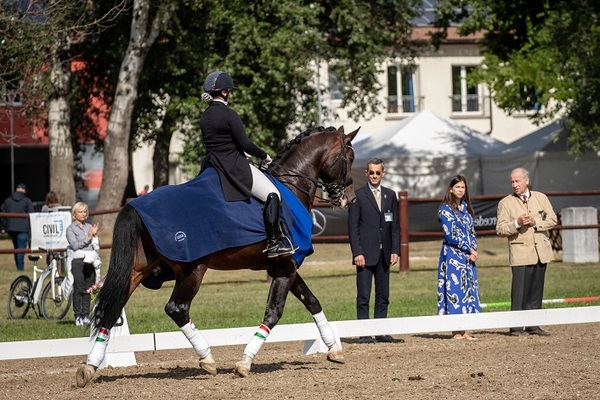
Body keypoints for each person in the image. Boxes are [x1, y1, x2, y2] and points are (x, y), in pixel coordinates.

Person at [199, 70, 296, 258]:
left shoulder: (205, 116)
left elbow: (218, 143)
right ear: (225, 92)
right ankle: (274, 243)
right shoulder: (229, 115)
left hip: (212, 164)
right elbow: (245, 143)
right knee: (273, 194)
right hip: (234, 166)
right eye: (230, 91)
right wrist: (264, 155)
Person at [496, 167, 557, 337]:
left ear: (527, 181)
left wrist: (535, 222)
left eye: (517, 181)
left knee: (536, 291)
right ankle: (516, 327)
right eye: (512, 182)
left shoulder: (541, 198)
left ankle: (533, 325)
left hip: (541, 252)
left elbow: (552, 219)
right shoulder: (505, 203)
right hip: (520, 253)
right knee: (519, 293)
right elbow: (500, 229)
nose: (514, 185)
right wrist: (517, 223)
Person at [348, 158, 401, 344]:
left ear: (383, 173)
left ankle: (381, 331)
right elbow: (353, 228)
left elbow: (394, 226)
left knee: (383, 295)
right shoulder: (358, 196)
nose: (375, 176)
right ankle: (364, 333)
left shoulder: (390, 195)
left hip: (384, 254)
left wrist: (395, 250)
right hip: (365, 254)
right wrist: (357, 252)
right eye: (371, 172)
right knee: (364, 295)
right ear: (366, 173)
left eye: (378, 172)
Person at [437, 175, 481, 340]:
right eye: (457, 187)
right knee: (454, 290)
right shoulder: (445, 210)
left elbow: (472, 232)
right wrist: (469, 248)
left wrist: (474, 250)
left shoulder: (466, 210)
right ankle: (456, 331)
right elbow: (450, 235)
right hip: (452, 256)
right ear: (451, 189)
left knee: (468, 290)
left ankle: (464, 329)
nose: (460, 190)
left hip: (468, 258)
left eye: (463, 187)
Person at [66, 202, 101, 326]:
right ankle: (78, 315)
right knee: (78, 288)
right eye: (80, 212)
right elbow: (75, 245)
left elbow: (96, 245)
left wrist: (95, 236)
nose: (83, 214)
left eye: (85, 211)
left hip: (90, 260)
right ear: (74, 214)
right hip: (77, 260)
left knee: (89, 288)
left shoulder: (89, 226)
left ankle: (85, 315)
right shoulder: (70, 229)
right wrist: (88, 238)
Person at [1, 183, 34, 271]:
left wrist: (3, 227)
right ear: (24, 190)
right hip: (23, 228)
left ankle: (18, 266)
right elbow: (32, 214)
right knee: (21, 249)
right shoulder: (27, 201)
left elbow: (3, 214)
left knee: (16, 248)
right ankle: (20, 268)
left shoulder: (7, 201)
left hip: (11, 228)